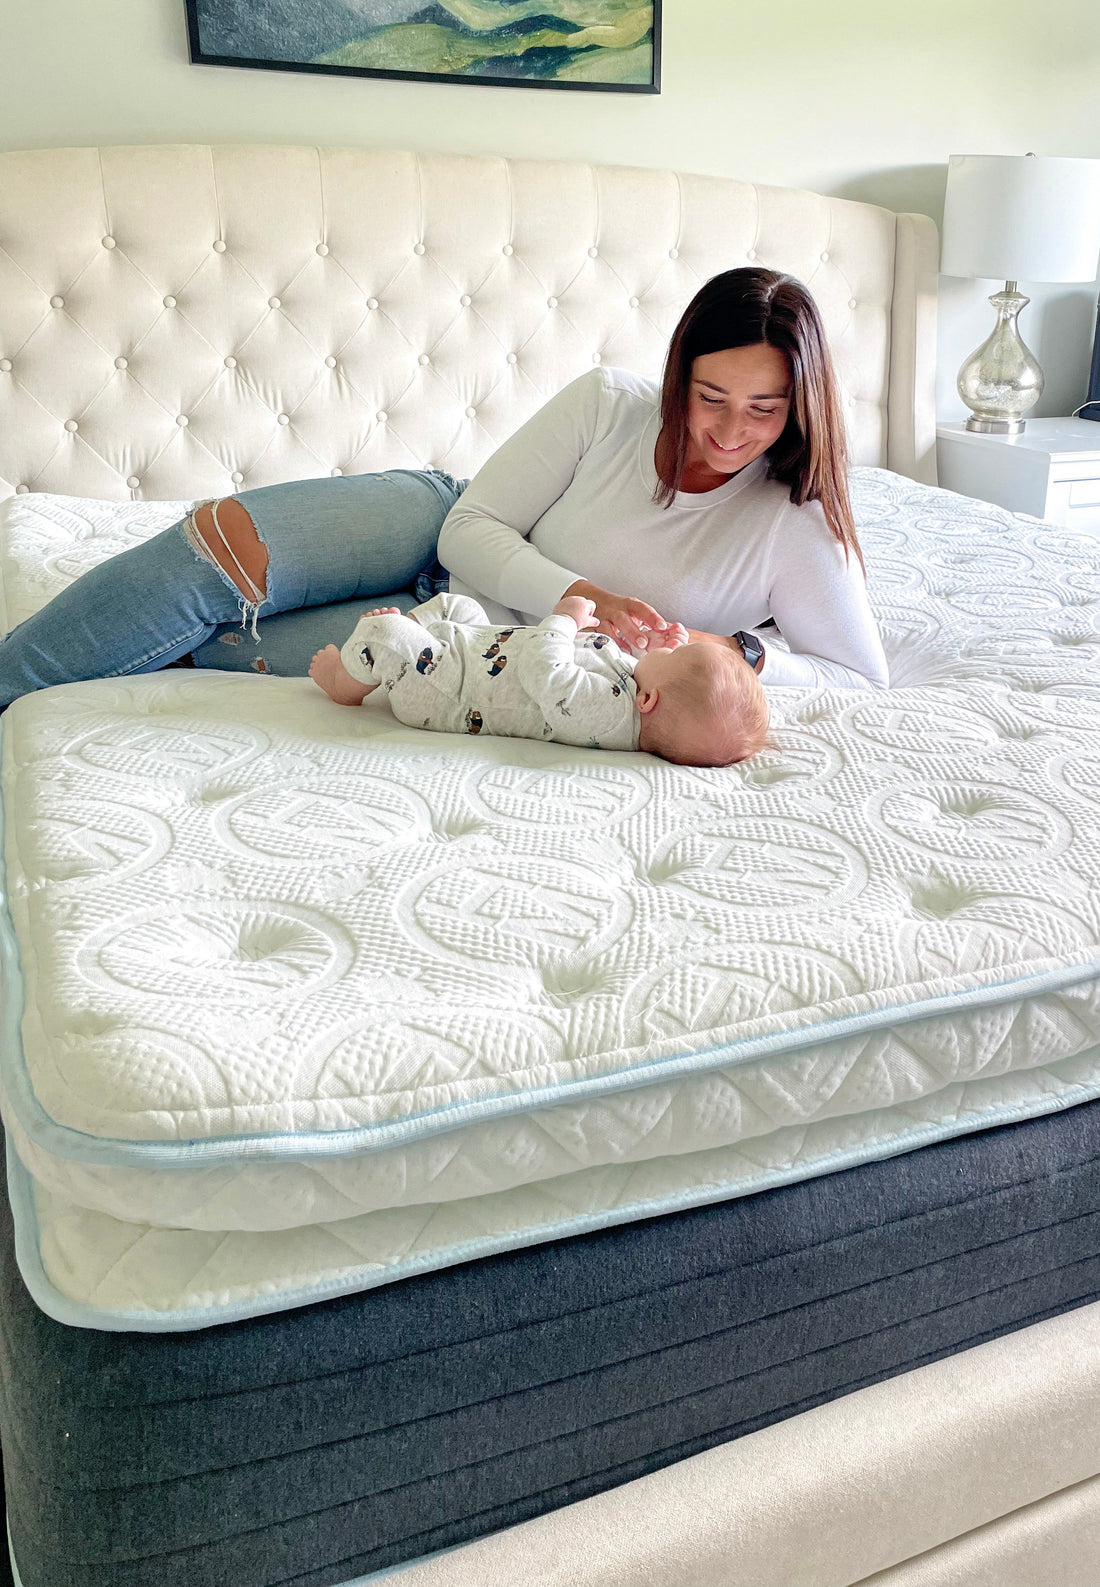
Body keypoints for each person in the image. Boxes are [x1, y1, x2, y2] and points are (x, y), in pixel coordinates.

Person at [0, 267, 888, 712]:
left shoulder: (794, 517)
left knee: (202, 652)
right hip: (432, 529)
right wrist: (589, 598)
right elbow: (473, 528)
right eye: (710, 398)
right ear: (678, 375)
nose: (732, 432)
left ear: (801, 404)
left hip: (467, 653)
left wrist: (738, 652)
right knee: (217, 553)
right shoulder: (611, 405)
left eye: (765, 410)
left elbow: (857, 677)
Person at [308, 591, 771, 767]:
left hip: (447, 690)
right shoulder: (633, 695)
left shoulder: (607, 716)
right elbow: (602, 665)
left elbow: (544, 670)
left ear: (648, 701)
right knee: (458, 607)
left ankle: (345, 681)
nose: (676, 643)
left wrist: (565, 619)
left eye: (679, 653)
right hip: (478, 652)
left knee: (382, 633)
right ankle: (407, 643)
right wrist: (651, 650)